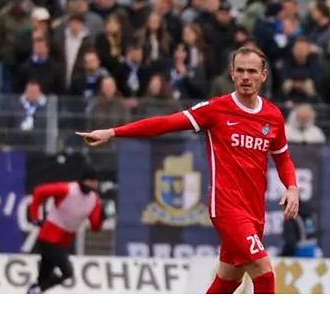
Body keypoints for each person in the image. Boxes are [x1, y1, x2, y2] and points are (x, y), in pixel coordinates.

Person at [77, 46, 299, 294]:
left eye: (252, 71)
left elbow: (283, 158)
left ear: (264, 75)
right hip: (227, 207)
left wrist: (291, 187)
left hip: (255, 211)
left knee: (229, 279)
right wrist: (113, 132)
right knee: (264, 271)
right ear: (232, 74)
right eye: (240, 71)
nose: (246, 76)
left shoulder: (273, 116)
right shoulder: (216, 110)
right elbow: (165, 123)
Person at [25, 167, 103, 294]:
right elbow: (39, 192)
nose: (94, 184)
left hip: (64, 240)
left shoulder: (94, 200)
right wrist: (34, 216)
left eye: (96, 181)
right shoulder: (67, 189)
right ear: (83, 181)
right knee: (67, 272)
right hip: (49, 236)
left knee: (43, 278)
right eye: (91, 181)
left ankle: (35, 289)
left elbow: (95, 226)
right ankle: (38, 289)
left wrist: (103, 217)